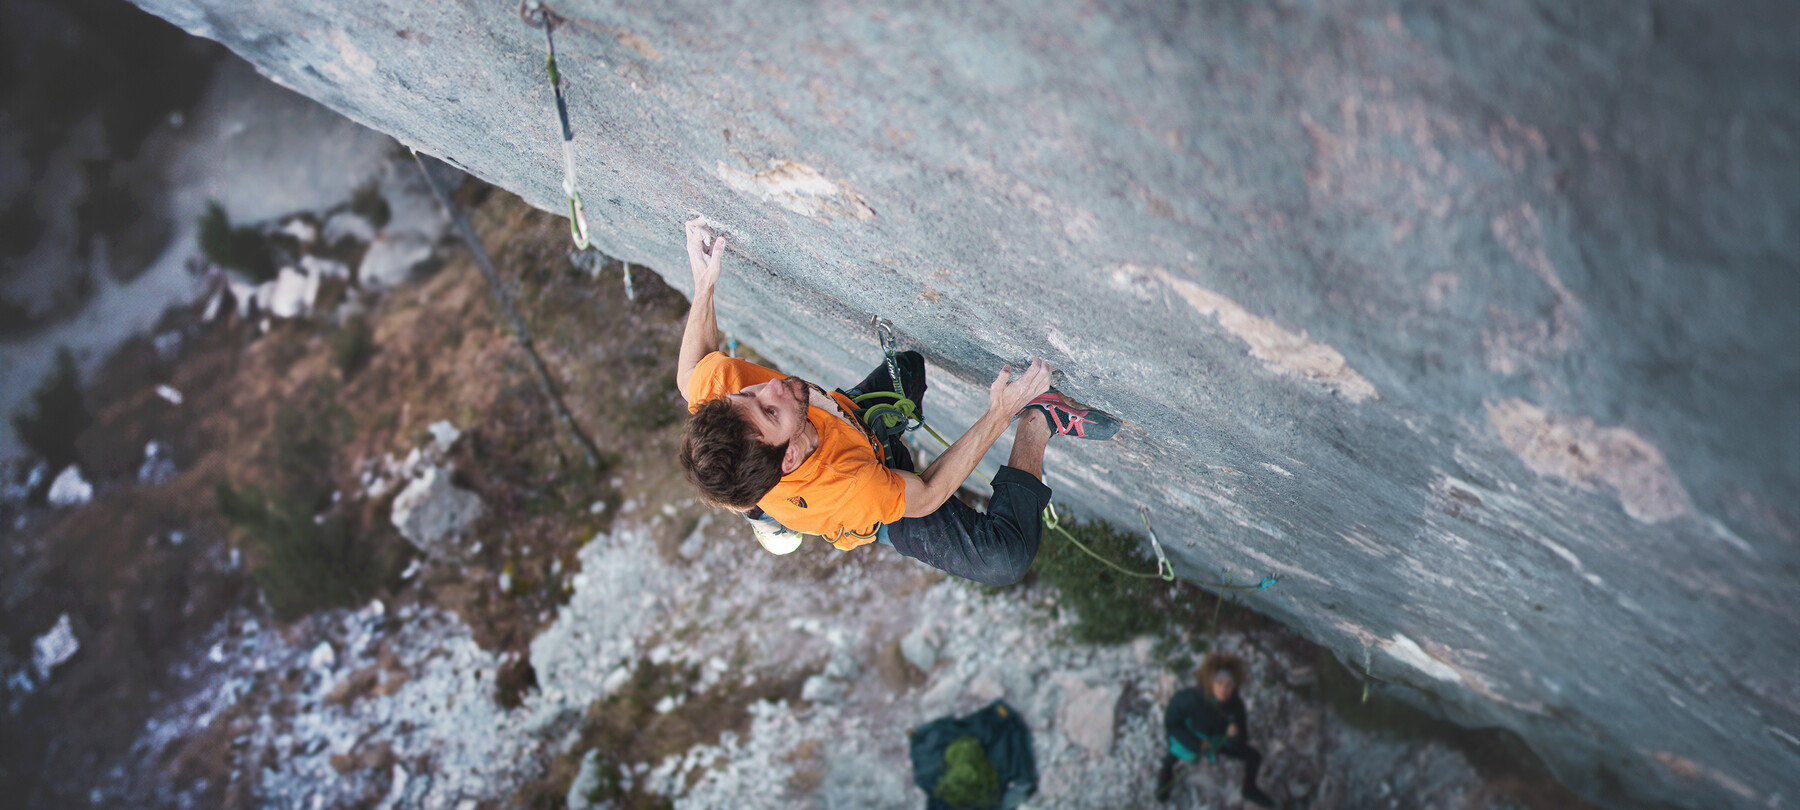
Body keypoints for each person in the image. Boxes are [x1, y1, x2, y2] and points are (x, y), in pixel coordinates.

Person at [673, 216, 1117, 586]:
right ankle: (1041, 419)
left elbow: (692, 372)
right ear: (788, 455)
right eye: (770, 410)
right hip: (873, 507)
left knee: (907, 369)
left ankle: (761, 512)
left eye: (750, 393)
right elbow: (925, 495)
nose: (773, 386)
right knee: (1003, 560)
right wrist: (1002, 413)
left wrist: (704, 284)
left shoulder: (723, 402)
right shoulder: (848, 489)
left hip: (847, 428)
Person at [1155, 654, 1275, 807]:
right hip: (1194, 735)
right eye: (1219, 682)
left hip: (1218, 741)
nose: (1224, 689)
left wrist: (1234, 736)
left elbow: (1242, 739)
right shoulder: (1191, 699)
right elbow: (1172, 724)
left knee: (1253, 757)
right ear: (1210, 682)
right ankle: (1165, 774)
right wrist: (1196, 744)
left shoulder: (1235, 705)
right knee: (1172, 755)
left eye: (1229, 684)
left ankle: (1249, 788)